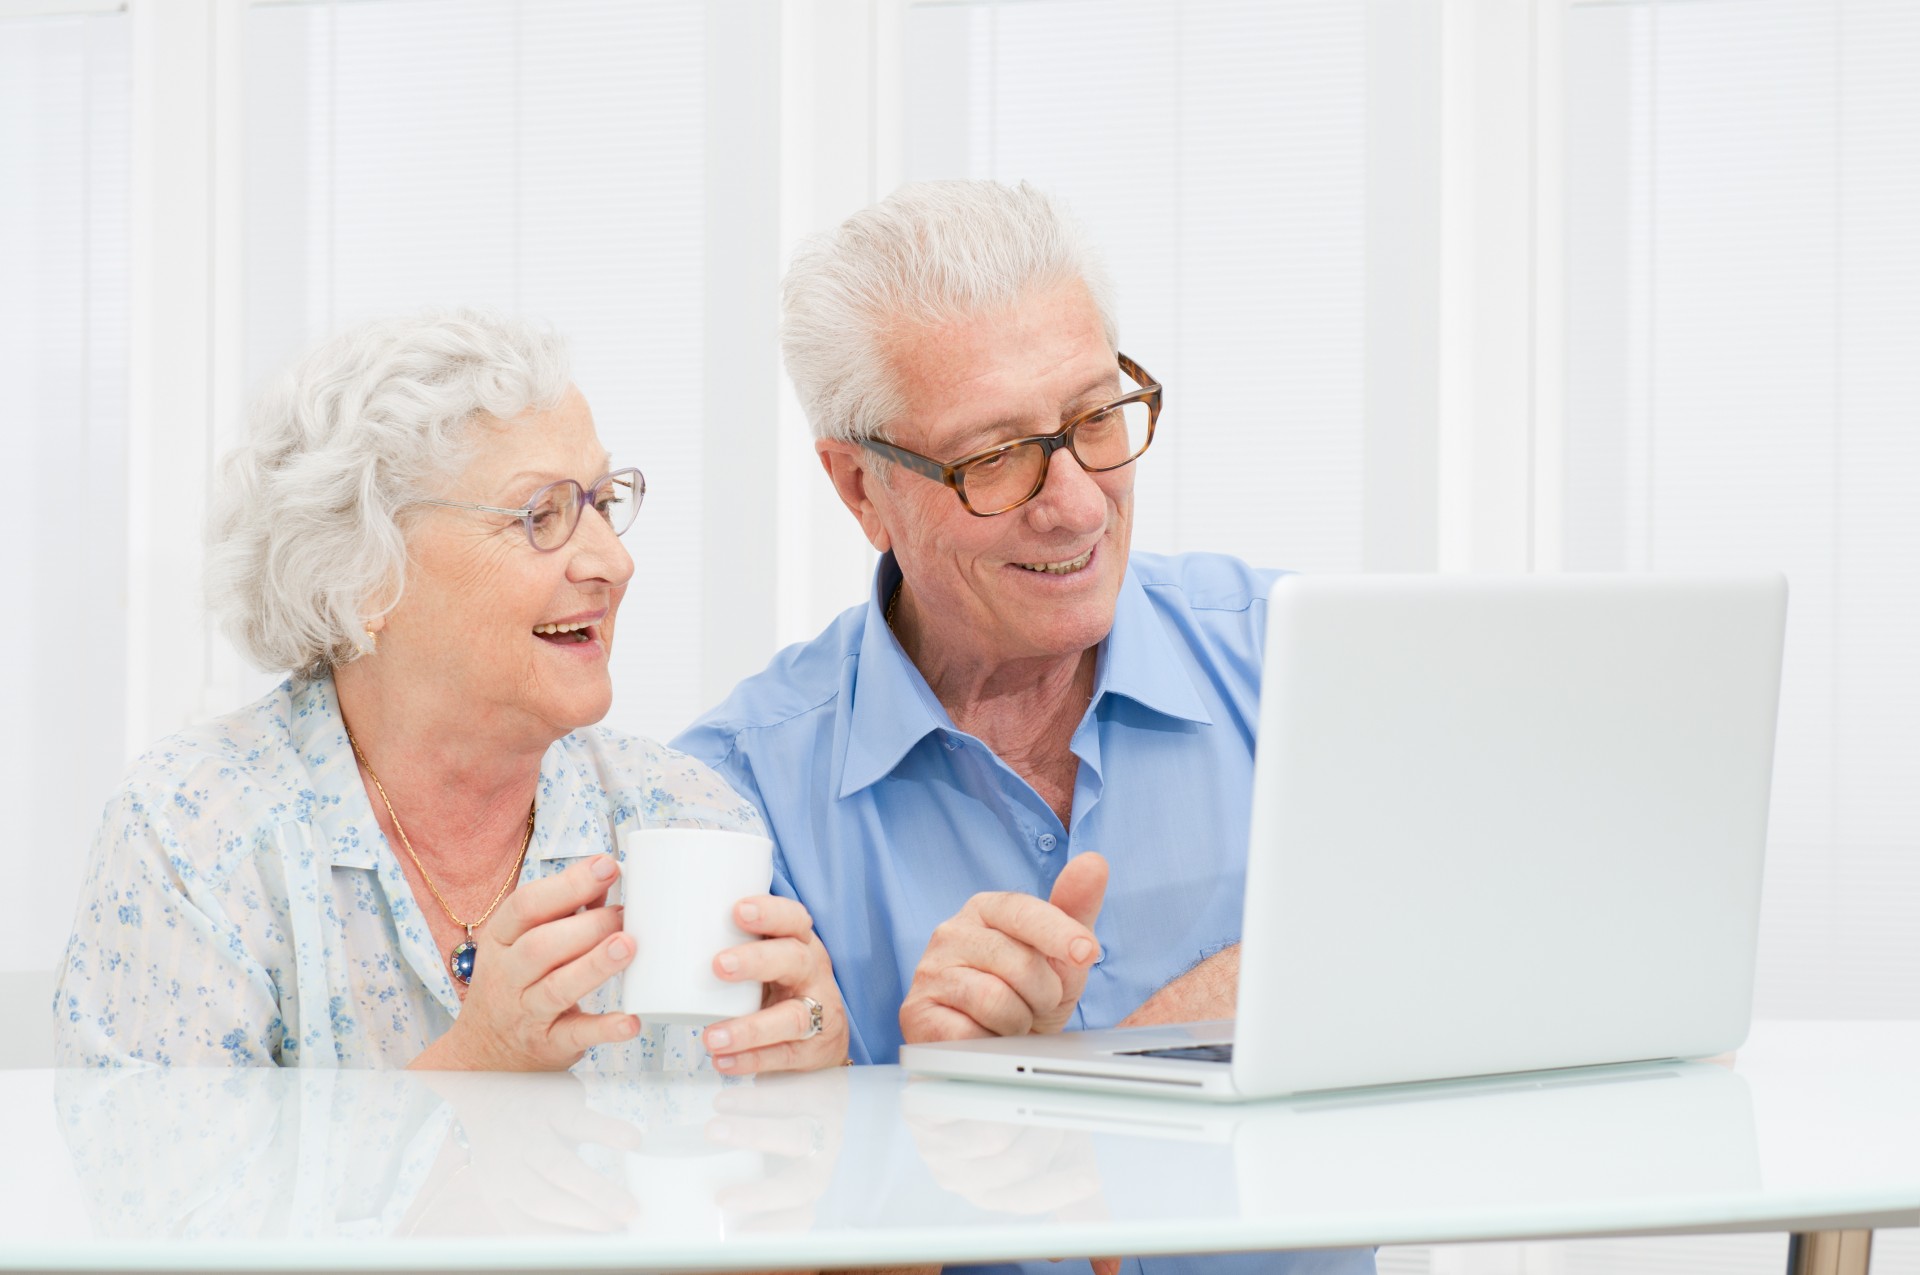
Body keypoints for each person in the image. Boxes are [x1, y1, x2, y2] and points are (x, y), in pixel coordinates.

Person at [675, 182, 1373, 1274]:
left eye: (1097, 419)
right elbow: (735, 1229)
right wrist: (927, 1116)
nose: (1082, 504)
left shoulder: (1309, 664)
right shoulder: (725, 802)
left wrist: (1170, 1045)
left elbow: (1542, 958)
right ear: (861, 486)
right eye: (995, 455)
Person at [56, 309, 848, 1074]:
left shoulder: (685, 817)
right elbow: (159, 1197)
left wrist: (814, 1084)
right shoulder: (192, 833)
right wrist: (474, 1071)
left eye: (604, 504)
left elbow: (746, 1187)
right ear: (363, 573)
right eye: (543, 514)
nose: (612, 560)